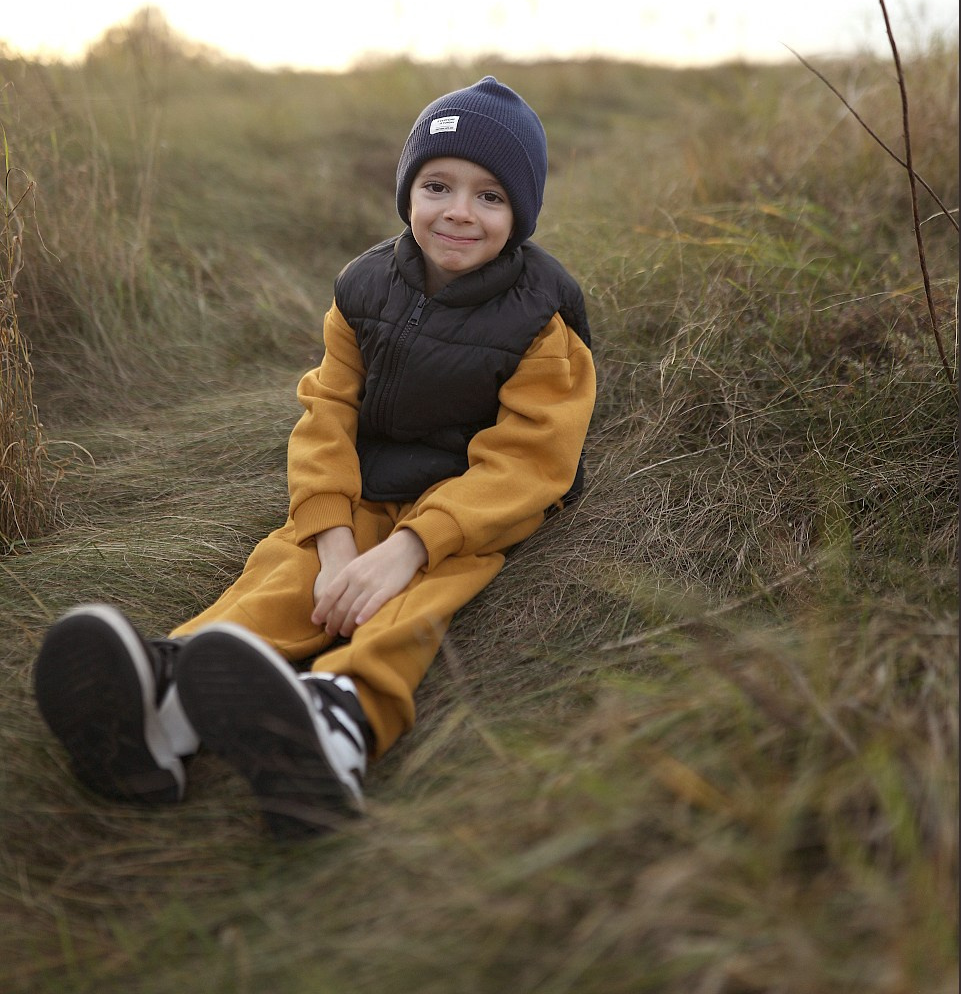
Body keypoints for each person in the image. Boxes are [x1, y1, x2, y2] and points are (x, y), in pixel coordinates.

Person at [34, 76, 596, 837]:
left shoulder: (542, 320)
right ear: (408, 191)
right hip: (363, 491)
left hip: (465, 511)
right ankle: (166, 706)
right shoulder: (363, 289)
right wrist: (333, 542)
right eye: (437, 185)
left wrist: (406, 550)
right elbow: (326, 414)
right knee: (279, 572)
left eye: (490, 196)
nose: (458, 211)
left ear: (520, 213)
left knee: (411, 605)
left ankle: (337, 721)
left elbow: (529, 463)